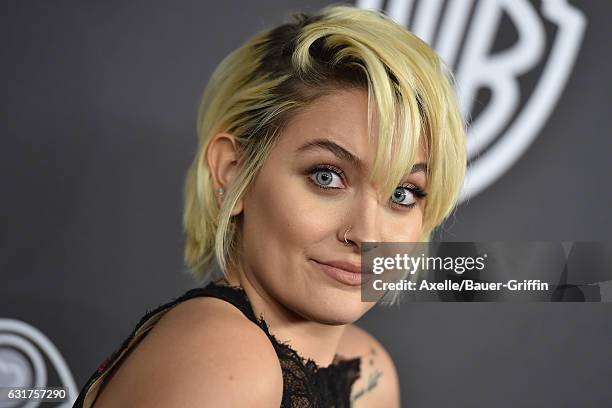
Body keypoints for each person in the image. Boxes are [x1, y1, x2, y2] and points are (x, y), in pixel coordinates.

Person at [74, 4, 466, 407]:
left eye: (403, 193)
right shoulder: (225, 355)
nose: (366, 234)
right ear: (232, 172)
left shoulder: (368, 370)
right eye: (326, 176)